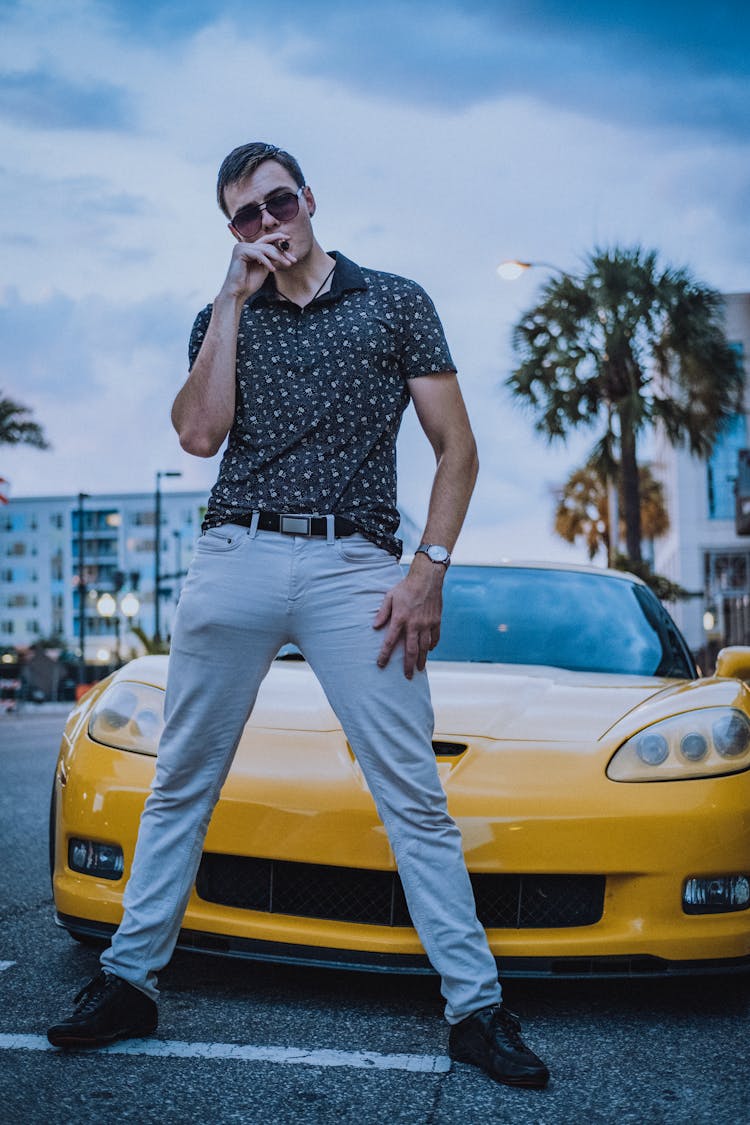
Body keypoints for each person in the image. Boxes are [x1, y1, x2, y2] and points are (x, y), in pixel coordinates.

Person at [47, 142, 549, 1089]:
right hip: (235, 551)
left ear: (310, 199)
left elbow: (458, 449)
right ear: (232, 230)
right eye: (246, 214)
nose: (269, 222)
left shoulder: (395, 301)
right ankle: (127, 981)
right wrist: (231, 300)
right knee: (181, 779)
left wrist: (427, 568)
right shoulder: (220, 313)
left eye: (279, 202)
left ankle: (476, 1008)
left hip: (357, 566)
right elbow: (198, 435)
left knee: (411, 790)